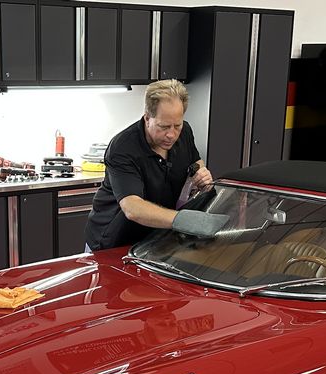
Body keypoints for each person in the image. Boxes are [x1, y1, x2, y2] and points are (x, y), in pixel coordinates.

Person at [84, 80, 228, 252]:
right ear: (147, 118)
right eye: (164, 126)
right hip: (112, 241)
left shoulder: (185, 132)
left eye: (177, 125)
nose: (171, 135)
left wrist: (201, 173)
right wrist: (184, 220)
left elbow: (196, 162)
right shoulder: (122, 148)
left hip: (155, 240)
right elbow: (132, 208)